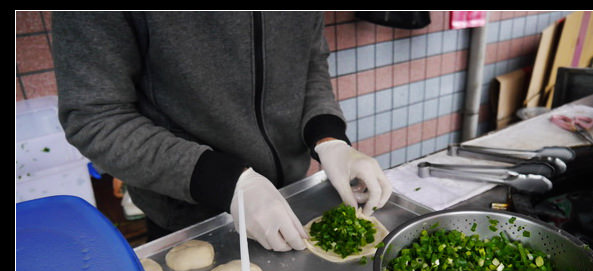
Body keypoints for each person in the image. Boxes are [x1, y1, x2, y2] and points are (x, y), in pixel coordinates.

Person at [52, 11, 392, 251]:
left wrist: (329, 138)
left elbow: (311, 61)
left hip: (293, 196)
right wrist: (226, 182)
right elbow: (95, 117)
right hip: (190, 218)